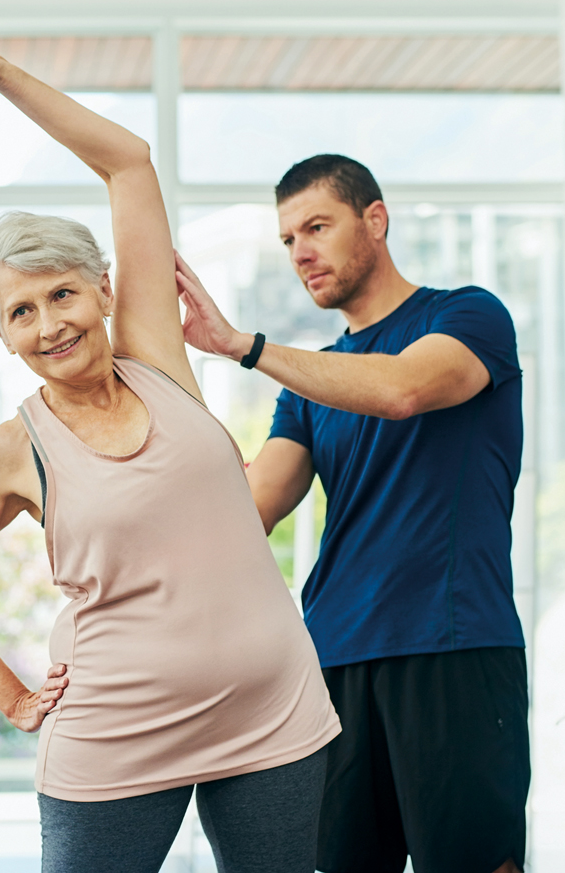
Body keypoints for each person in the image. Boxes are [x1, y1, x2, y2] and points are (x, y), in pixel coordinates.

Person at [0, 56, 340, 873]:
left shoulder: (156, 357)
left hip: (271, 709)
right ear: (4, 338)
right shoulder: (12, 449)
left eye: (60, 294)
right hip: (117, 731)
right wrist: (16, 699)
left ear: (102, 290)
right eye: (20, 313)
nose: (49, 324)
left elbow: (128, 161)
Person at [173, 154, 529, 873]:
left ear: (375, 220)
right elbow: (253, 507)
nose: (300, 252)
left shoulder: (467, 315)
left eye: (316, 226)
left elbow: (402, 389)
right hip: (333, 660)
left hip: (451, 648)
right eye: (286, 240)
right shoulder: (306, 384)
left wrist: (245, 347)